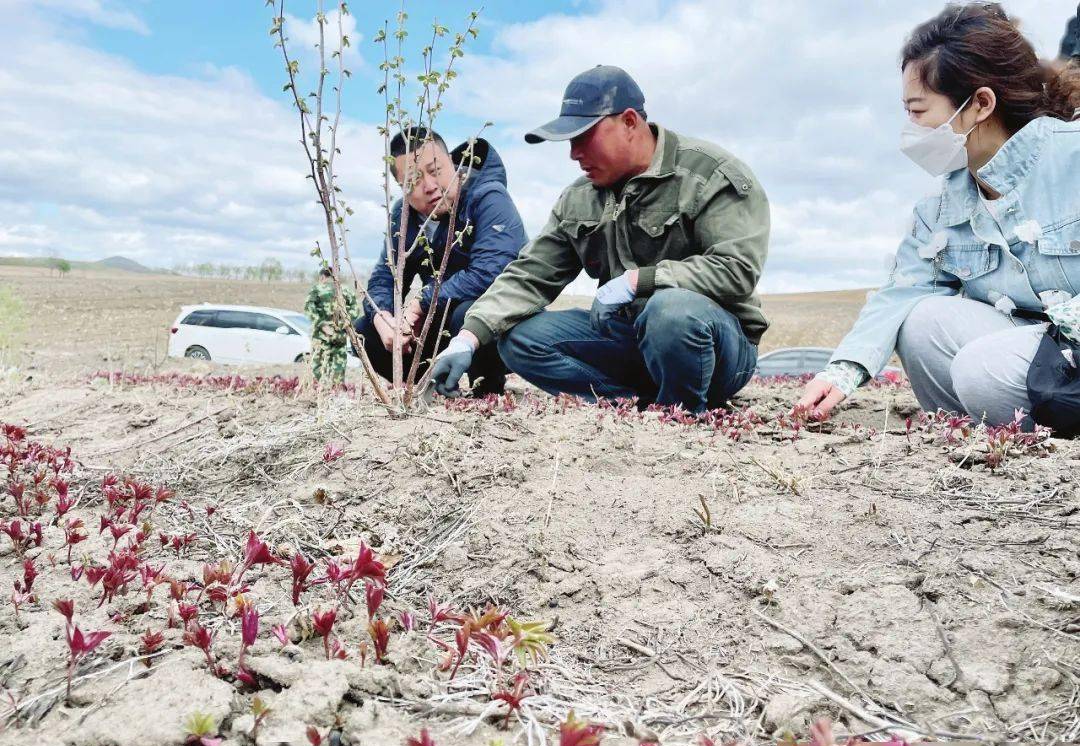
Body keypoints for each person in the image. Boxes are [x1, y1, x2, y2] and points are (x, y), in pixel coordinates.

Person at [796, 3, 1080, 428]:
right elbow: (901, 290)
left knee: (982, 369)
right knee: (921, 323)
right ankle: (986, 443)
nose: (909, 128)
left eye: (918, 110)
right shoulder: (942, 206)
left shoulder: (1071, 156)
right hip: (1040, 357)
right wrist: (843, 371)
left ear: (980, 104)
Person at [430, 66, 769, 413]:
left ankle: (679, 411)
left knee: (670, 312)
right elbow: (529, 275)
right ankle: (632, 405)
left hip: (716, 347)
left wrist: (641, 281)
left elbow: (736, 270)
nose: (574, 154)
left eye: (583, 136)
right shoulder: (578, 198)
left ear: (630, 122)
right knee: (518, 338)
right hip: (629, 339)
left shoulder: (710, 175)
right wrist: (466, 339)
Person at [354, 128, 525, 395]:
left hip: (500, 321)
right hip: (443, 319)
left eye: (436, 170)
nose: (430, 185)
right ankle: (428, 386)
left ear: (452, 163)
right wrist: (383, 318)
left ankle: (488, 392)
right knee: (364, 329)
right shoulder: (403, 215)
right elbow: (384, 278)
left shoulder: (489, 197)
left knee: (467, 311)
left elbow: (492, 273)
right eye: (413, 180)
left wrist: (423, 302)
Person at [305, 267, 358, 385]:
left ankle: (321, 390)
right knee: (339, 364)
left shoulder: (317, 289)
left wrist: (322, 325)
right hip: (340, 335)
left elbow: (308, 308)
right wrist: (344, 325)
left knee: (318, 364)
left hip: (321, 336)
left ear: (322, 277)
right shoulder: (345, 290)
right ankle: (336, 391)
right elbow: (355, 310)